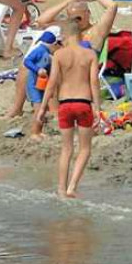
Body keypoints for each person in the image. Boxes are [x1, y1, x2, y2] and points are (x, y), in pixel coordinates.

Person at [36, 17, 101, 198]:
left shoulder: (59, 55)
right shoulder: (90, 55)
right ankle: (72, 187)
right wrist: (97, 108)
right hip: (83, 103)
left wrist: (42, 108)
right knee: (85, 148)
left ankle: (61, 189)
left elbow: (51, 83)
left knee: (66, 149)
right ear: (79, 34)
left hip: (65, 104)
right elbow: (94, 82)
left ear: (65, 35)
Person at [24, 31, 61, 138]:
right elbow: (27, 61)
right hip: (34, 84)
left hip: (42, 83)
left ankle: (39, 131)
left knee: (42, 108)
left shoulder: (48, 53)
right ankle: (35, 132)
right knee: (38, 108)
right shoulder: (40, 50)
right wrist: (37, 69)